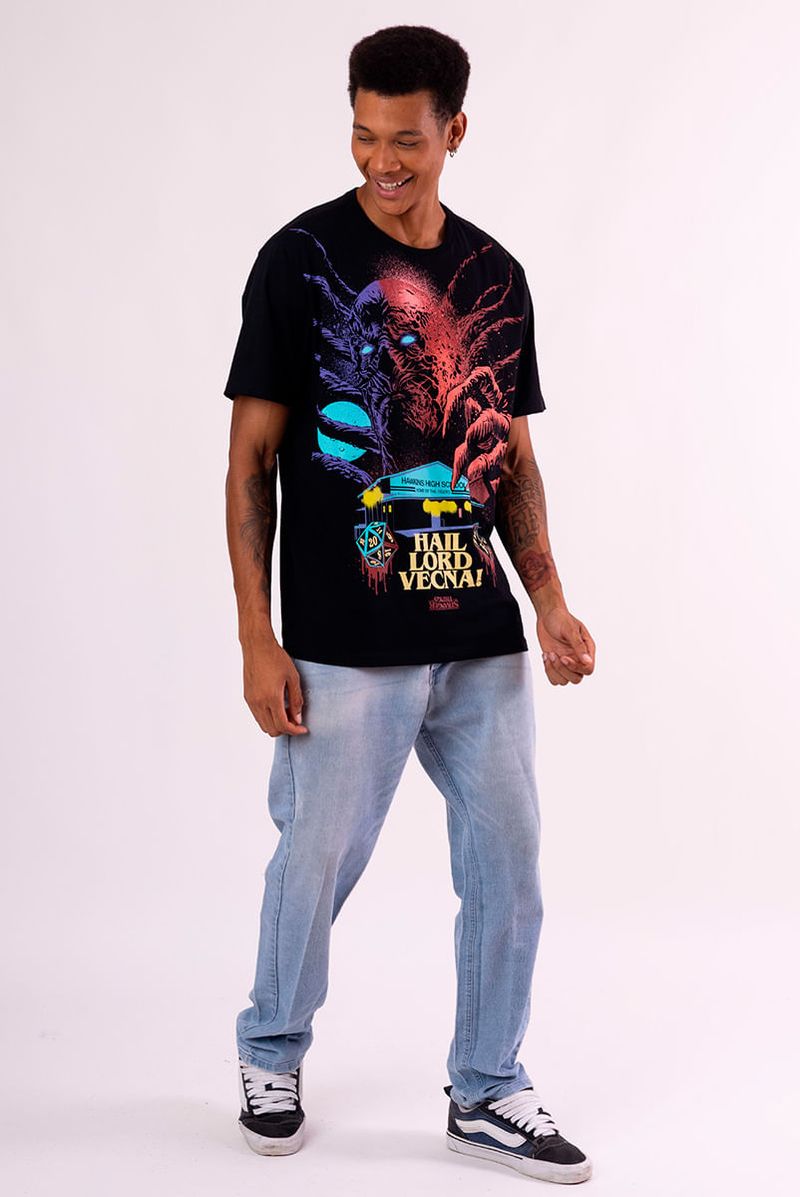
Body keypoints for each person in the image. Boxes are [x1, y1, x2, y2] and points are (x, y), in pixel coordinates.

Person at [222, 23, 596, 1185]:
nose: (381, 160)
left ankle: (485, 1086)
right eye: (362, 134)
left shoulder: (494, 273)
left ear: (453, 133)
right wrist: (256, 636)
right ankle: (270, 1051)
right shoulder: (296, 261)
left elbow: (509, 456)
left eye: (405, 140)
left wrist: (548, 598)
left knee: (509, 869)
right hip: (342, 645)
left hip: (477, 636)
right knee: (316, 860)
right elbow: (250, 461)